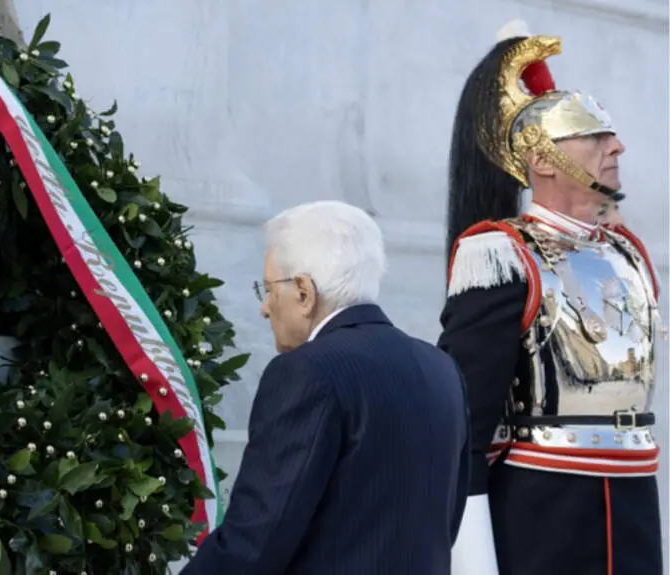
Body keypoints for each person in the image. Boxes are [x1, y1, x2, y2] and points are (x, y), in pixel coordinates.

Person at [440, 19, 664, 575]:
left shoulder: (627, 252)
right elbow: (464, 425)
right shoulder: (500, 253)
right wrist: (472, 556)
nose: (618, 146)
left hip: (634, 496)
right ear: (543, 159)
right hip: (545, 507)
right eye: (594, 136)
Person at [182, 200, 470, 574]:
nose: (265, 308)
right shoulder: (441, 369)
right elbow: (445, 523)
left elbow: (255, 542)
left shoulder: (306, 371)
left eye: (268, 290)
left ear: (303, 292)